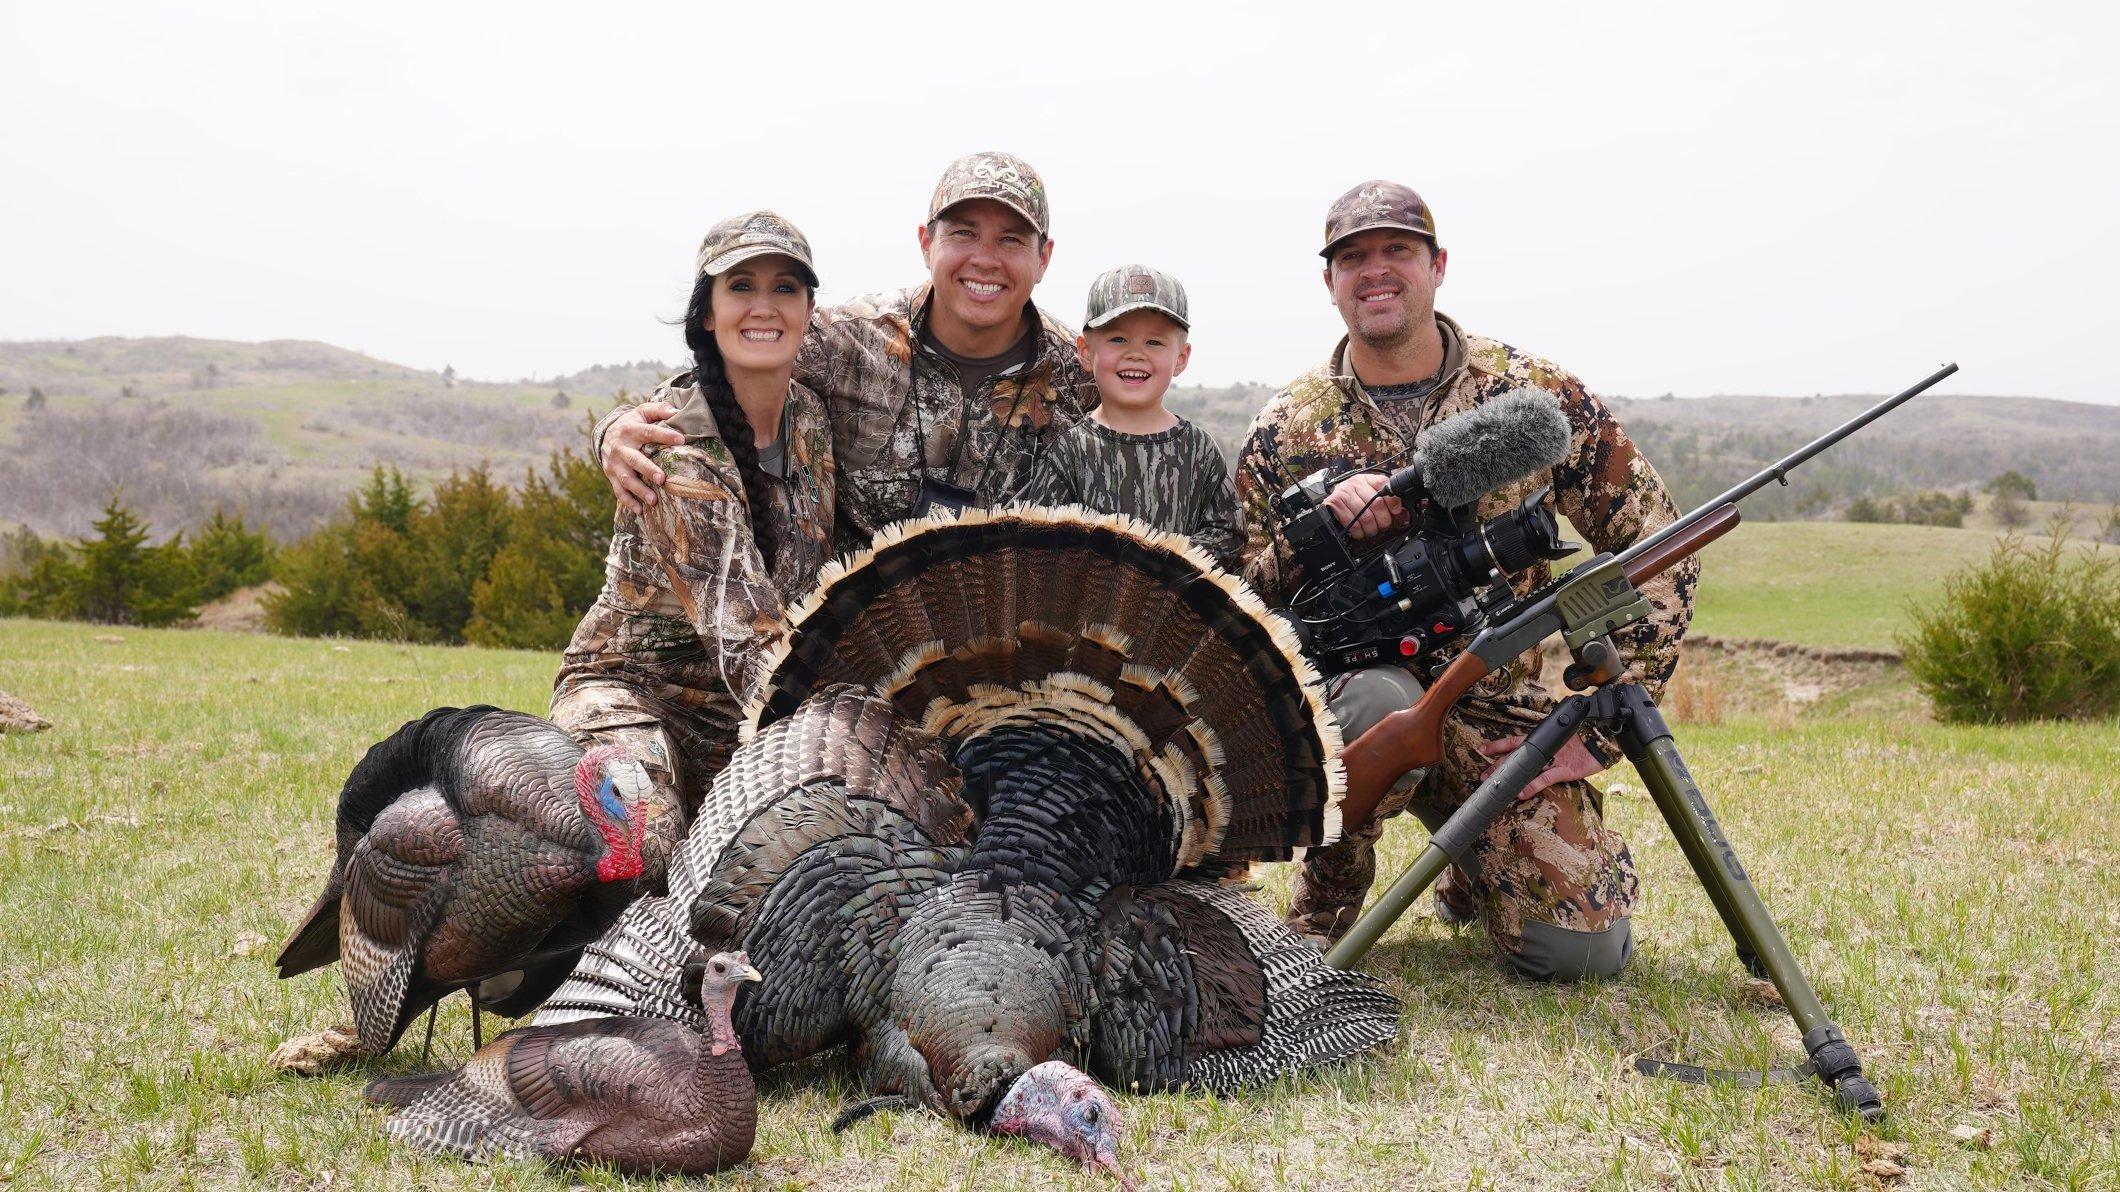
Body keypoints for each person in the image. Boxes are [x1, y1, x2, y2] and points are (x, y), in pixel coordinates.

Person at [1234, 181, 1700, 981]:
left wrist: (1598, 726)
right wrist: (1318, 531)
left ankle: (1472, 866)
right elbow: (1239, 595)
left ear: (1438, 265)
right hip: (1353, 702)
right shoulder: (1287, 425)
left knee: (1581, 951)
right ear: (1330, 282)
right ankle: (1329, 894)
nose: (1375, 273)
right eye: (1353, 258)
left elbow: (1660, 541)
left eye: (1397, 252)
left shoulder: (1533, 395)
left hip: (1492, 703)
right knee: (1378, 699)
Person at [594, 152, 1096, 553]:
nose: (984, 259)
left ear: (1043, 258)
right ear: (927, 243)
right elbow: (722, 374)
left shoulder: (1078, 377)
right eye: (963, 233)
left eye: (1010, 239)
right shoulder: (851, 341)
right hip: (855, 642)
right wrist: (612, 431)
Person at [550, 211, 835, 887]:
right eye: (741, 287)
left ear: (809, 311)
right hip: (632, 693)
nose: (763, 306)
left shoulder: (812, 422)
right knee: (646, 842)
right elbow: (752, 644)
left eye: (785, 288)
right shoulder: (674, 447)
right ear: (707, 315)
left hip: (733, 712)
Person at [1016, 264, 1243, 571]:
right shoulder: (1070, 451)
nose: (1136, 354)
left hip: (1179, 613)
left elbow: (1229, 533)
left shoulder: (1199, 449)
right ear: (1084, 351)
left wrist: (1166, 564)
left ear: (1181, 358)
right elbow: (1040, 546)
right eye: (1119, 339)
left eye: (1155, 342)